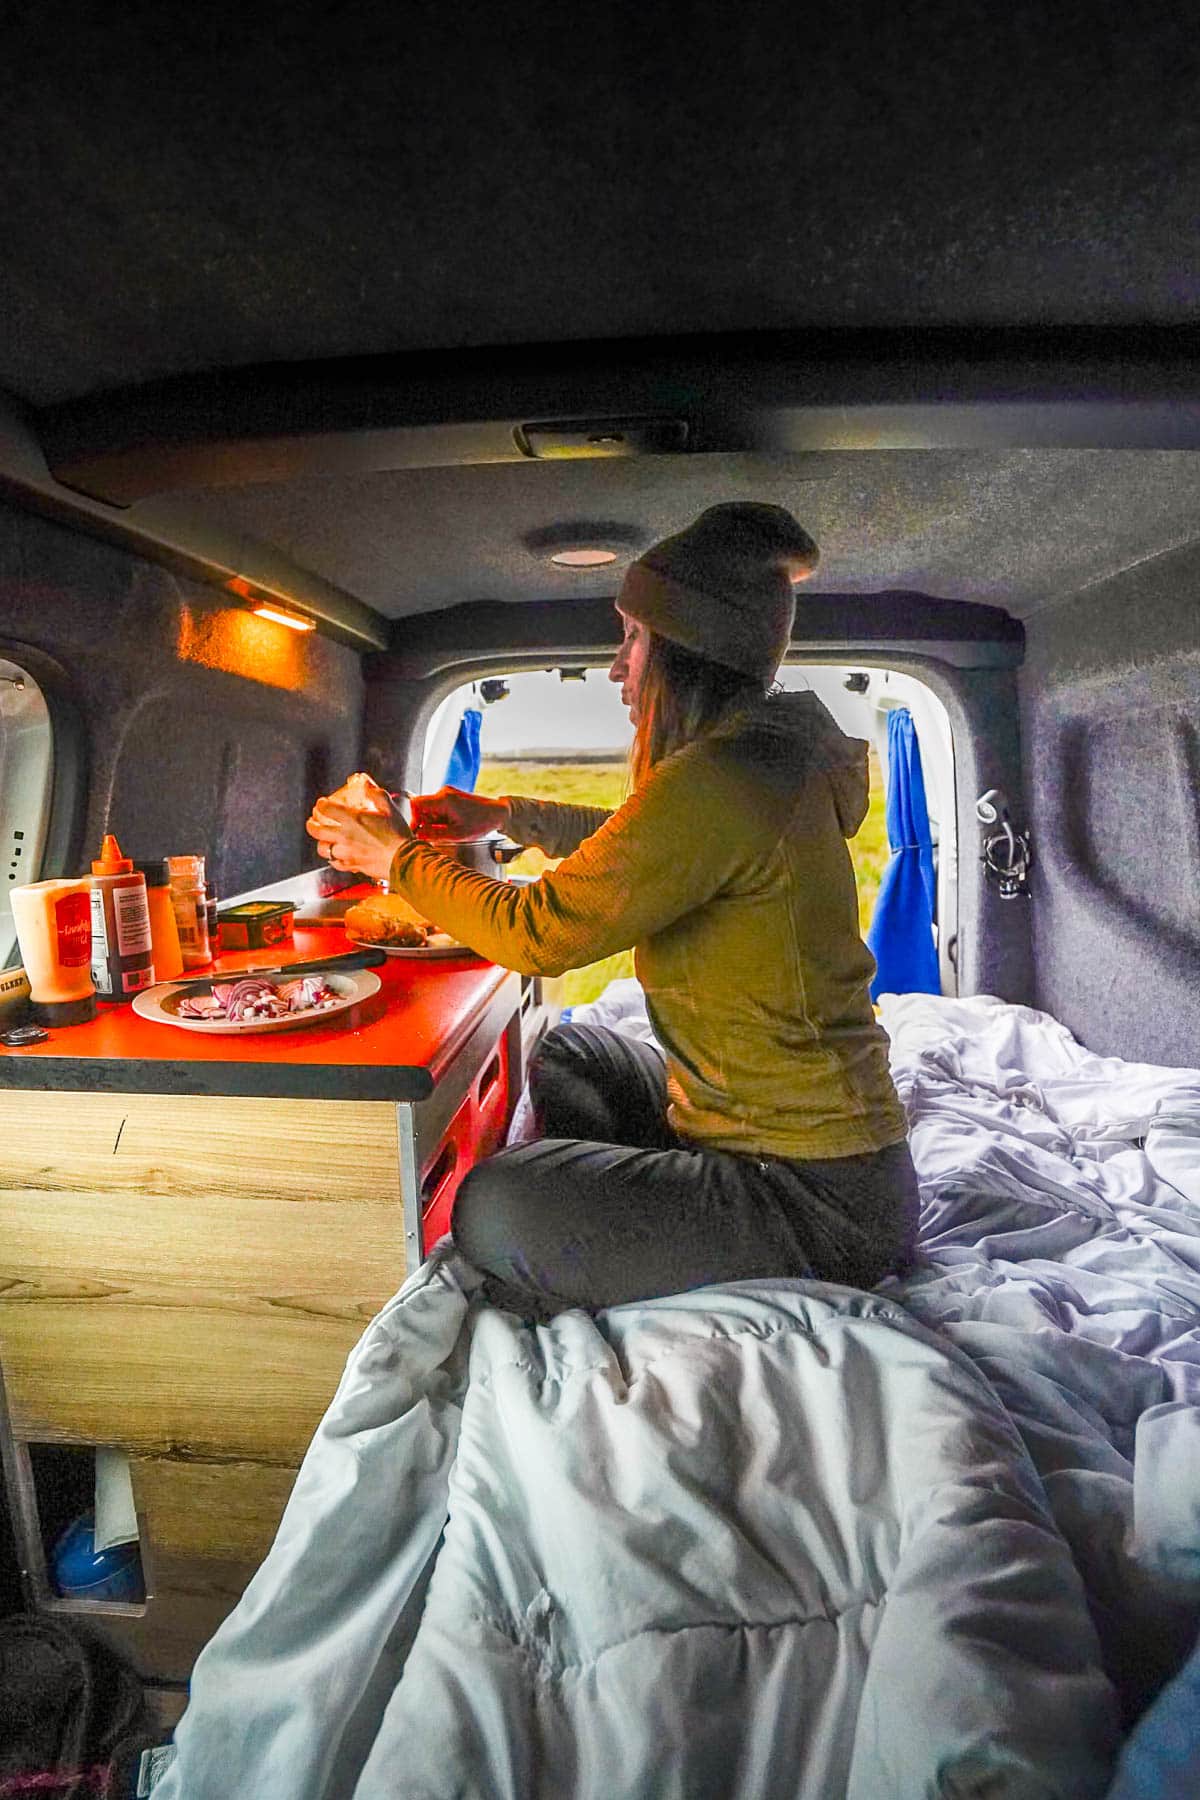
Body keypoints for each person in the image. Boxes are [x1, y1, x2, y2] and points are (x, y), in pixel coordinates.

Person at [308, 502, 919, 1319]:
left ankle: (637, 1226)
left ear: (688, 649)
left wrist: (395, 857)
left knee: (490, 1204)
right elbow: (641, 844)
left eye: (632, 638)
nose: (615, 667)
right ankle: (644, 1216)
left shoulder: (727, 777)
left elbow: (539, 934)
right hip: (770, 1140)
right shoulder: (758, 756)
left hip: (814, 1192)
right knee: (570, 1054)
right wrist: (506, 815)